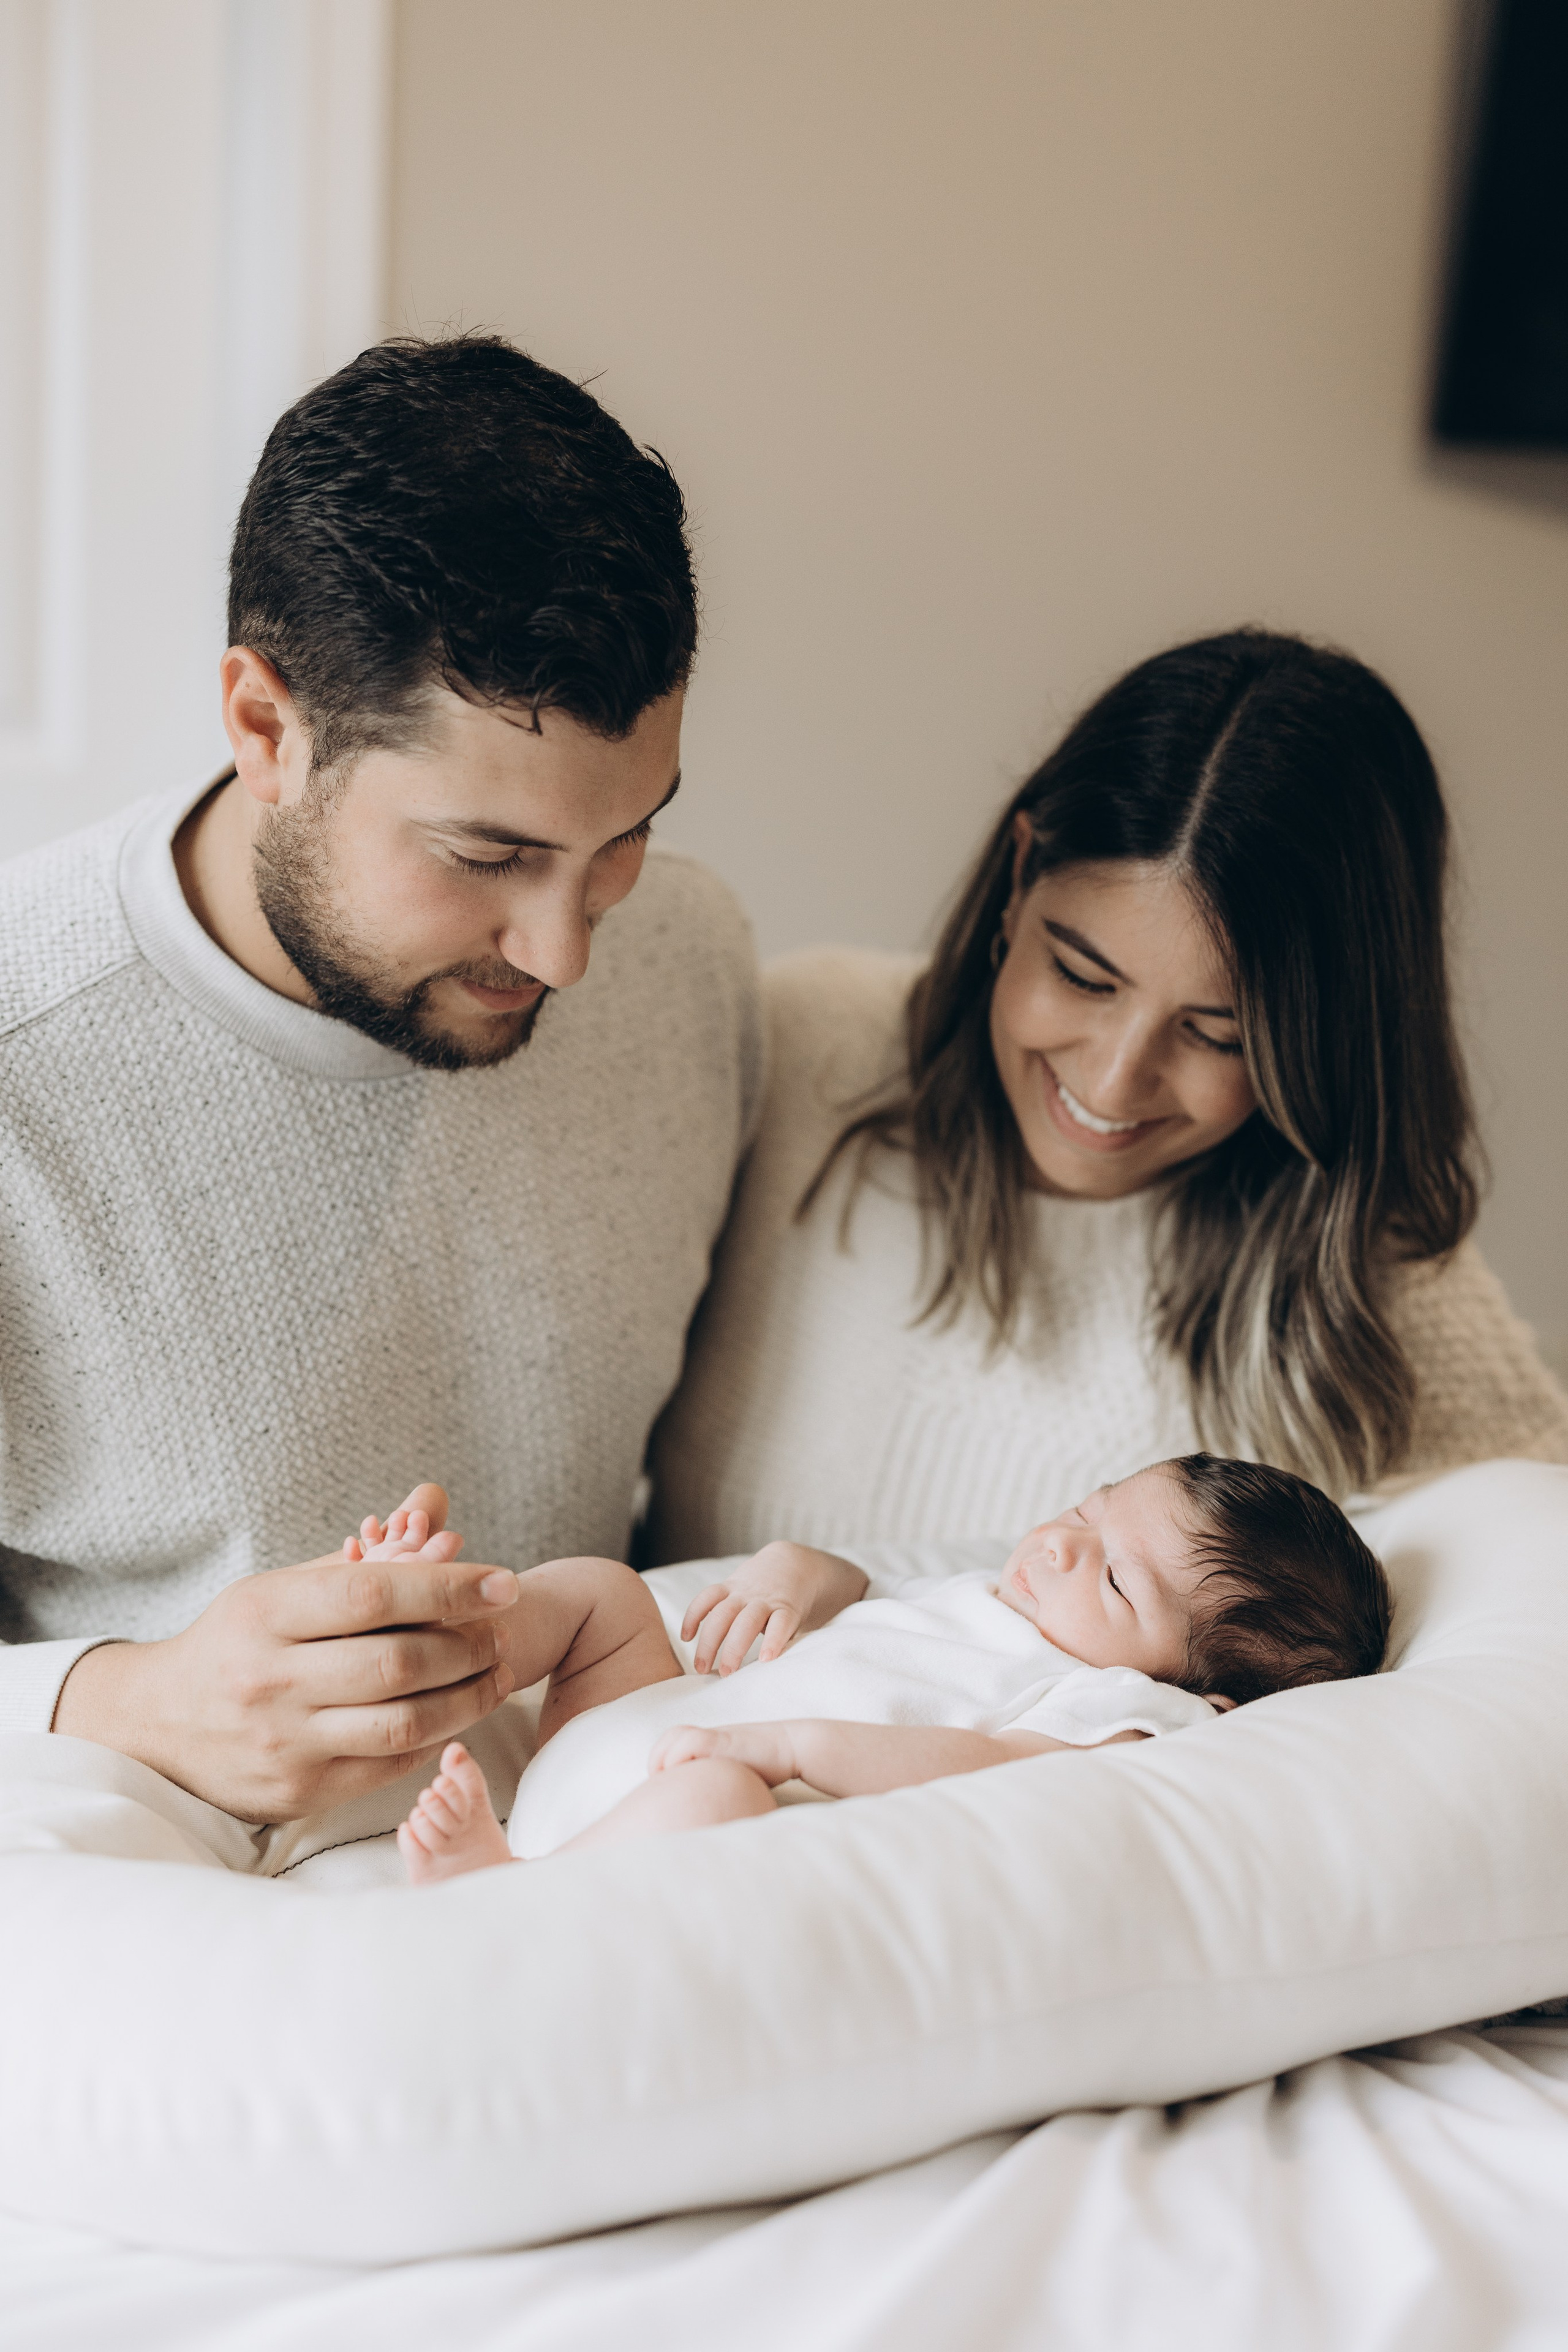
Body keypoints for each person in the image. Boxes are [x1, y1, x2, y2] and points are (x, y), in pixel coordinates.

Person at [0, 334, 760, 1832]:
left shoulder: (691, 957)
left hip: (616, 1865)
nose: (565, 952)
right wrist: (127, 1698)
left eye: (622, 838)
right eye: (487, 856)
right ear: (264, 729)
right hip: (184, 1909)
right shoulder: (23, 1064)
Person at [649, 630, 1568, 1563]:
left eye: (1217, 1034)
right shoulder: (804, 1046)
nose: (1115, 1081)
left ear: (1324, 1044)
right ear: (1020, 876)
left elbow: (1530, 1585)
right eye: (1084, 977)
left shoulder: (1371, 1274)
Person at [380, 1453, 1390, 1880]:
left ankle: (509, 1893)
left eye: (1118, 1581)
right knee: (603, 1593)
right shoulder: (991, 1596)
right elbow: (859, 1588)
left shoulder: (1118, 1705)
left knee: (718, 1798)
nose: (1058, 1547)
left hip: (683, 1813)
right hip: (646, 1720)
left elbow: (998, 1770)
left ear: (1203, 1695)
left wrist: (796, 1748)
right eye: (1086, 1512)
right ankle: (428, 1627)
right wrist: (793, 1571)